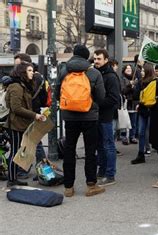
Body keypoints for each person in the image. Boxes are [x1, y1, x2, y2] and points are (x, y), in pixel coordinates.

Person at [57, 44, 106, 197]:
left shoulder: (64, 71)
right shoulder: (94, 73)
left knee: (69, 150)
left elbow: (58, 91)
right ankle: (91, 185)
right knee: (90, 150)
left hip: (70, 117)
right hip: (90, 117)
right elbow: (101, 96)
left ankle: (68, 187)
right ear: (86, 57)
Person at [5, 62, 46, 187]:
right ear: (22, 72)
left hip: (23, 124)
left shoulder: (23, 85)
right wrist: (35, 115)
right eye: (29, 70)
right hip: (16, 125)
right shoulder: (16, 87)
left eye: (32, 70)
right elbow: (16, 108)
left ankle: (14, 177)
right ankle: (11, 180)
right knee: (15, 152)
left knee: (21, 151)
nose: (32, 72)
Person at [93, 49, 121, 187]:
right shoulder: (96, 74)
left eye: (98, 59)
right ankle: (102, 171)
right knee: (100, 146)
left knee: (108, 146)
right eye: (95, 59)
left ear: (106, 60)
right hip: (97, 117)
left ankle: (110, 175)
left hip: (106, 117)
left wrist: (96, 104)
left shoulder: (111, 77)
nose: (96, 61)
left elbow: (114, 98)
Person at [131, 63, 156, 164]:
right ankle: (141, 153)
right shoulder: (140, 82)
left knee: (149, 131)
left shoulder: (155, 81)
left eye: (143, 71)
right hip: (143, 110)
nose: (141, 72)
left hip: (152, 109)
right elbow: (135, 96)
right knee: (141, 132)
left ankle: (151, 148)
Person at [121, 64, 138, 145]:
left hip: (134, 103)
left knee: (133, 122)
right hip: (126, 103)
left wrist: (134, 86)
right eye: (127, 68)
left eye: (130, 68)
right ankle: (124, 137)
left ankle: (132, 136)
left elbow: (137, 91)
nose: (129, 69)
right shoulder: (123, 79)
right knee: (125, 122)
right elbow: (123, 91)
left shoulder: (135, 79)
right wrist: (129, 85)